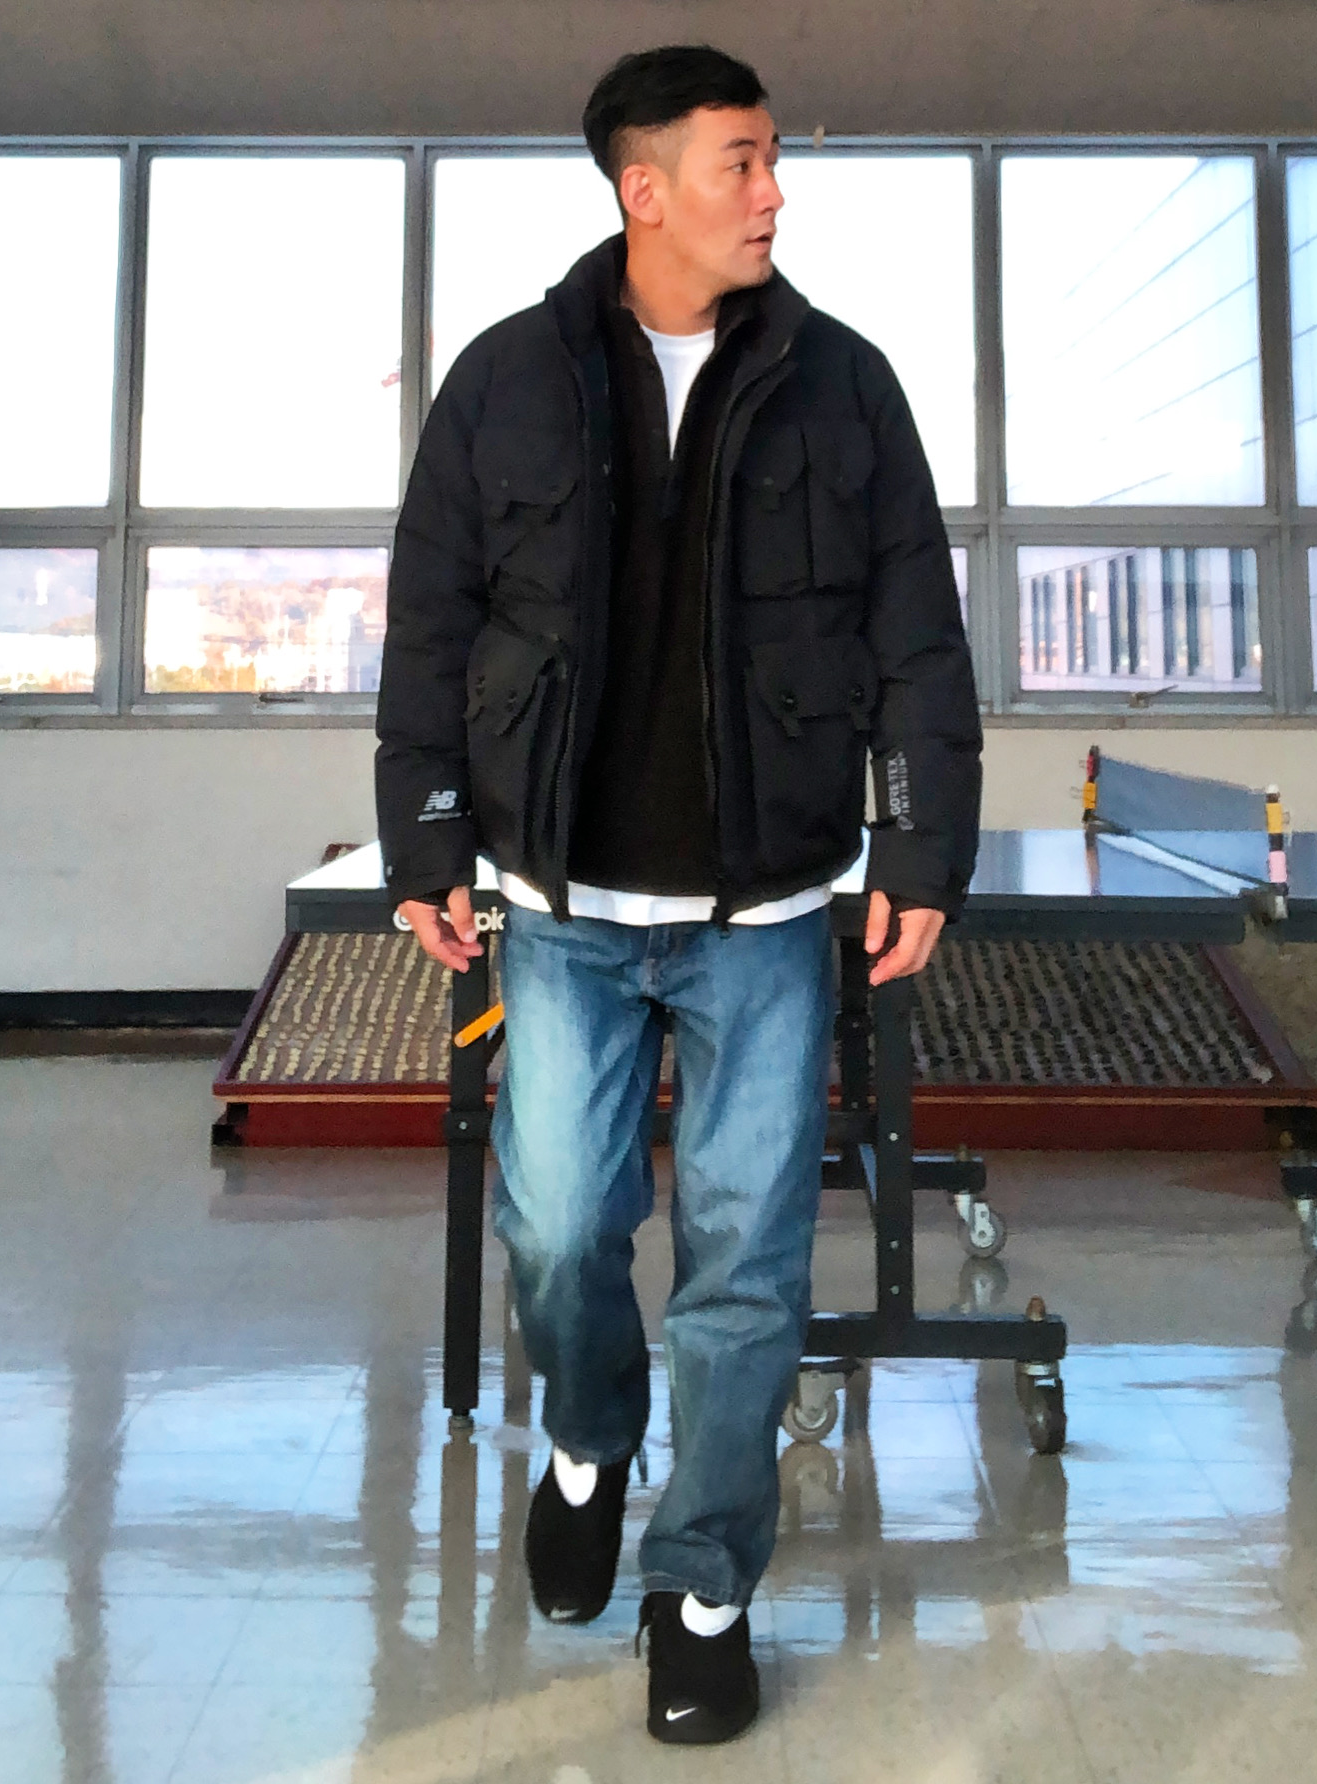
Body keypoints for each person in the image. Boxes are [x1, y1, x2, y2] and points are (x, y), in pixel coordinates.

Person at [375, 43, 982, 1745]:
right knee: (561, 1228)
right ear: (646, 188)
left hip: (768, 914)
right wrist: (426, 838)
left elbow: (917, 636)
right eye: (743, 161)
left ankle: (703, 1588)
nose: (774, 193)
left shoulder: (845, 387)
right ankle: (589, 1439)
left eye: (775, 160)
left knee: (746, 1267)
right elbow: (430, 626)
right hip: (558, 905)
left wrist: (920, 846)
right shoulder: (505, 382)